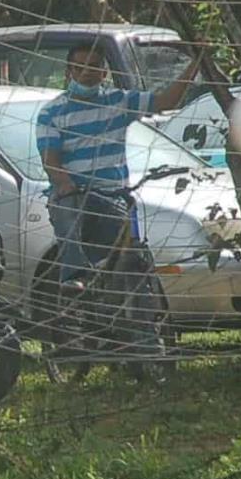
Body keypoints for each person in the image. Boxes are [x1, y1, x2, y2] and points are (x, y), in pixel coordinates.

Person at [36, 39, 202, 295]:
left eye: (93, 67)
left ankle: (142, 317)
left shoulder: (119, 102)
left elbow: (166, 102)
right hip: (76, 196)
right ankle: (73, 277)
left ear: (104, 73)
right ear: (69, 71)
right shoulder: (52, 113)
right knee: (66, 209)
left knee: (131, 258)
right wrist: (67, 185)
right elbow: (51, 163)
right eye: (79, 67)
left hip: (113, 196)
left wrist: (195, 65)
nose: (86, 73)